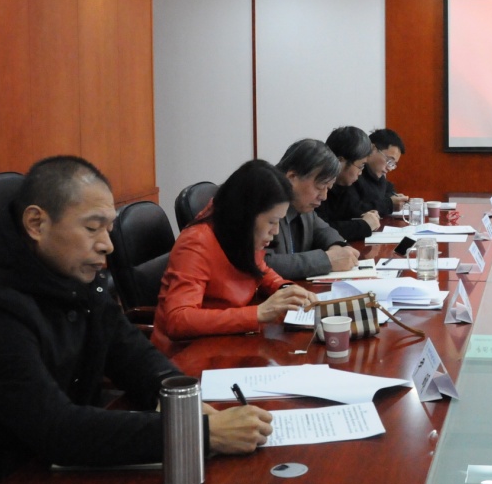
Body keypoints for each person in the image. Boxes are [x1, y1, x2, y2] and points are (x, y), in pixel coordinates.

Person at [0, 156, 274, 484]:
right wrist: (200, 434)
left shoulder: (74, 279)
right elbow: (57, 429)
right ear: (37, 223)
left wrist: (179, 399)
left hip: (40, 479)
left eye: (109, 229)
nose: (108, 245)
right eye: (93, 228)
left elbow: (132, 353)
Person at [155, 160, 315, 341]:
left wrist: (286, 289)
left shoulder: (238, 232)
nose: (276, 231)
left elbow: (258, 268)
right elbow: (178, 320)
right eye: (272, 221)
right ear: (247, 215)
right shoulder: (196, 242)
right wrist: (257, 314)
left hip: (224, 339)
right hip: (188, 348)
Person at [266, 138, 361, 280]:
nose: (324, 196)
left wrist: (337, 248)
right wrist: (326, 260)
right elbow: (264, 263)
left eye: (328, 188)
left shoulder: (303, 204)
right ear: (292, 177)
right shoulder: (262, 202)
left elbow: (323, 230)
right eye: (320, 187)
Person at [315, 126, 381, 241]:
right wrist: (364, 225)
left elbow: (349, 211)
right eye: (361, 166)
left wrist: (364, 215)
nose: (361, 173)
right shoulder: (317, 187)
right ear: (340, 161)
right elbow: (320, 230)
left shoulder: (345, 185)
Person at [353, 128, 407, 217]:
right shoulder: (354, 174)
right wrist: (389, 204)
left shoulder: (377, 176)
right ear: (372, 149)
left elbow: (389, 190)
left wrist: (395, 198)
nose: (390, 169)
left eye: (393, 164)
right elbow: (353, 209)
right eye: (389, 161)